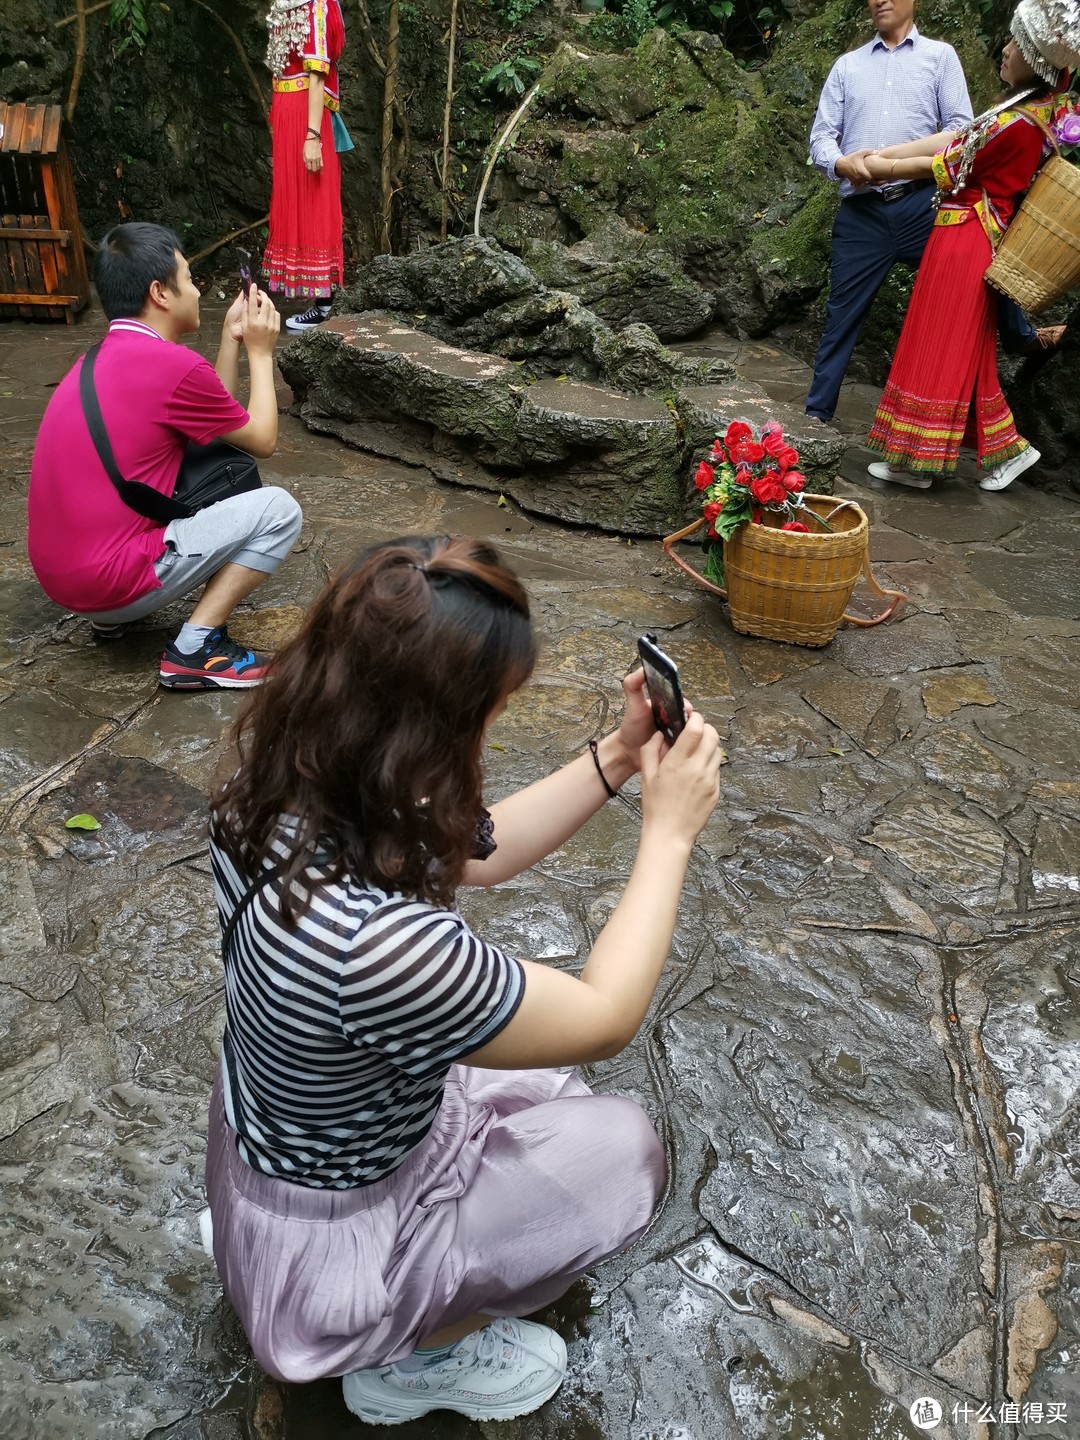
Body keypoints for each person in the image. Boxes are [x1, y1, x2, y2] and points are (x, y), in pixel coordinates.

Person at [204, 535, 723, 1425]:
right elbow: (604, 1015)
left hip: (289, 1145)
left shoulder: (287, 787)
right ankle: (399, 1355)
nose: (489, 732)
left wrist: (616, 757)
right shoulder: (381, 949)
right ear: (426, 729)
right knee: (624, 1151)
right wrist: (668, 835)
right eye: (486, 713)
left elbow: (469, 851)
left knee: (540, 1076)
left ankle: (308, 1278)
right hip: (339, 1252)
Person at [27, 223, 302, 690]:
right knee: (279, 510)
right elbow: (261, 439)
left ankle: (110, 620)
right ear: (160, 292)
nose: (197, 292)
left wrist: (231, 340)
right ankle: (196, 649)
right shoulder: (171, 367)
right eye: (190, 279)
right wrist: (261, 352)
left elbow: (215, 423)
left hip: (62, 579)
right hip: (106, 581)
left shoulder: (95, 359)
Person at [804, 0, 1058, 425]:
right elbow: (821, 140)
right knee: (840, 317)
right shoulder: (847, 66)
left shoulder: (940, 57)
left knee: (981, 267)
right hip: (862, 214)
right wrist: (841, 163)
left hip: (924, 202)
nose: (880, 0)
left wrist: (892, 164)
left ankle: (1020, 336)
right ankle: (815, 418)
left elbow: (961, 133)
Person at [863, 2, 1080, 491]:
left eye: (1015, 45)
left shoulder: (1022, 123)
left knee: (940, 341)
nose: (1003, 50)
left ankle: (916, 462)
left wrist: (880, 167)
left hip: (968, 233)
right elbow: (957, 138)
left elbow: (950, 161)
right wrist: (889, 154)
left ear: (1038, 61)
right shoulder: (1029, 109)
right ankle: (1007, 451)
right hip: (968, 230)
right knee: (966, 348)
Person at [264, 0, 346, 332]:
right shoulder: (286, 2)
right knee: (293, 196)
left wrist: (312, 135)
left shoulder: (318, 6)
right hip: (287, 110)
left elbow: (317, 73)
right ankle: (317, 296)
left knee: (313, 197)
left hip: (305, 114)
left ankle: (324, 301)